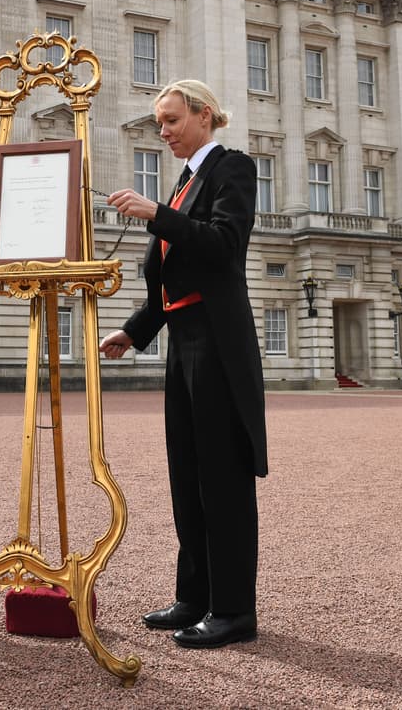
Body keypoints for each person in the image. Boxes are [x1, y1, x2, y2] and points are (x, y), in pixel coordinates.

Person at [99, 80, 266, 649]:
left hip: (218, 343)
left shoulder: (232, 168)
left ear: (203, 115)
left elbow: (222, 247)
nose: (163, 131)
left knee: (222, 477)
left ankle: (233, 611)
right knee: (187, 474)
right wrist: (135, 329)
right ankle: (195, 595)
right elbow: (173, 278)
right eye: (159, 122)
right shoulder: (185, 181)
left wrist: (154, 215)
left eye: (170, 120)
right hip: (184, 343)